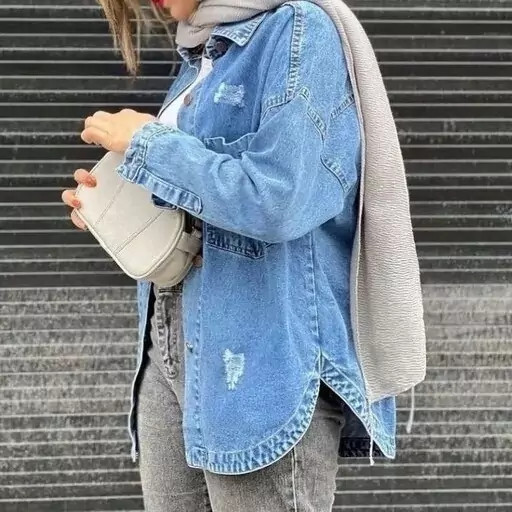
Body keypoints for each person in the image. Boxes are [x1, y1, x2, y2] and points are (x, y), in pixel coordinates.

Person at [61, 1, 422, 510]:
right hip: (169, 350)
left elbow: (280, 199)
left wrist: (148, 144)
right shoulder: (203, 50)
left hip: (260, 360)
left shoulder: (298, 30)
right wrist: (122, 203)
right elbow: (207, 198)